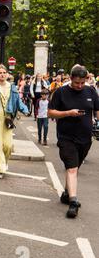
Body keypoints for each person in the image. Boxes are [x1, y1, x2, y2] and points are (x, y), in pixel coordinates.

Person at [48, 65, 99, 219]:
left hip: (85, 139)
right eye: (77, 83)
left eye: (82, 83)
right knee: (72, 169)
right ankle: (73, 202)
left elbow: (97, 109)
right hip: (66, 138)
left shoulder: (90, 91)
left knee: (74, 167)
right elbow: (50, 112)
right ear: (71, 79)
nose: (80, 86)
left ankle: (66, 193)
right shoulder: (61, 93)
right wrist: (68, 113)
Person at [0, 64, 29, 179]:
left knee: (8, 145)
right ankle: (1, 168)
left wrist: (25, 109)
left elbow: (18, 101)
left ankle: (4, 162)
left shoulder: (13, 87)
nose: (2, 75)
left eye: (4, 72)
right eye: (0, 73)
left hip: (8, 118)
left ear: (7, 74)